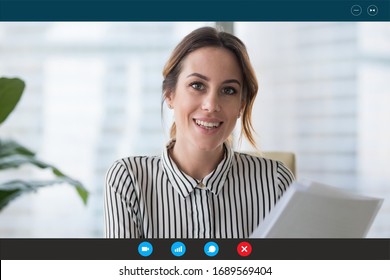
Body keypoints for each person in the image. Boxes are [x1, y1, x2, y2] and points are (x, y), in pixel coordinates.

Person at [104, 26, 294, 238]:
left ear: (241, 105)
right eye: (197, 85)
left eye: (228, 90)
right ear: (169, 94)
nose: (211, 105)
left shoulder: (275, 181)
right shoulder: (128, 179)